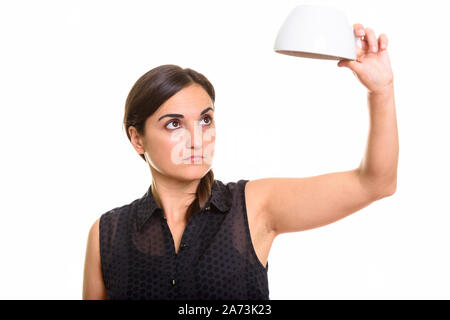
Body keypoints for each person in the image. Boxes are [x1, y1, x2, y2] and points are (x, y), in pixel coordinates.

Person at [82, 23, 398, 300]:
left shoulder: (252, 207)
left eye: (205, 121)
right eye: (174, 124)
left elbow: (375, 183)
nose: (196, 138)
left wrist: (381, 90)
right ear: (137, 139)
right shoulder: (107, 233)